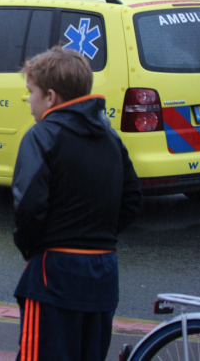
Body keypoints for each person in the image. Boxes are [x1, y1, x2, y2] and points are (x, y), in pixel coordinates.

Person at [12, 47, 142, 361]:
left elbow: (29, 206)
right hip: (104, 274)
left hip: (54, 274)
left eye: (31, 92)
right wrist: (100, 235)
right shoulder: (111, 139)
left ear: (51, 97)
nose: (28, 100)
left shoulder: (42, 135)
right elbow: (132, 199)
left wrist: (34, 248)